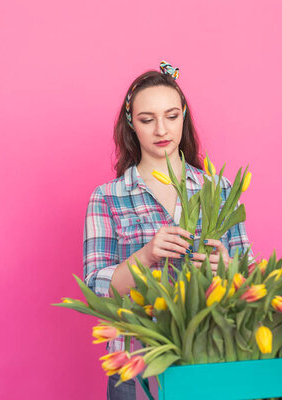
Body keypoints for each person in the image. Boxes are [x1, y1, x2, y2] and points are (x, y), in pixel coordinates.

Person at [82, 61, 252, 400]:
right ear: (131, 125)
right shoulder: (108, 197)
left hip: (209, 355)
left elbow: (252, 279)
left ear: (184, 117)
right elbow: (97, 289)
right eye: (148, 119)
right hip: (135, 363)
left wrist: (229, 268)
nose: (162, 129)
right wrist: (145, 256)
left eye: (171, 116)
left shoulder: (219, 189)